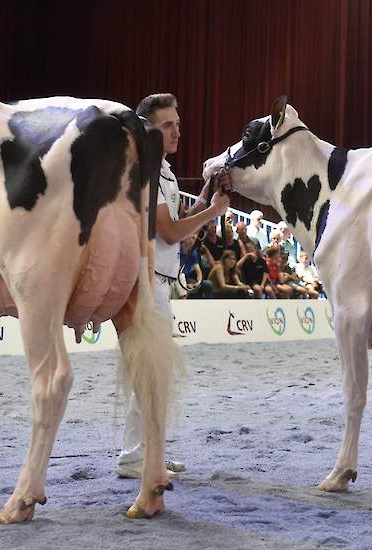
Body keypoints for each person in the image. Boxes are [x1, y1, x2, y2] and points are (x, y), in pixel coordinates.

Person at [118, 92, 230, 481]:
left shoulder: (161, 171)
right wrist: (213, 212)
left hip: (158, 280)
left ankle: (146, 452)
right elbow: (168, 232)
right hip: (146, 281)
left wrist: (202, 201)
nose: (177, 131)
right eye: (168, 125)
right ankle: (137, 456)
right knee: (149, 376)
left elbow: (176, 234)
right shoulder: (148, 169)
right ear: (149, 128)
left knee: (150, 376)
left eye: (178, 124)